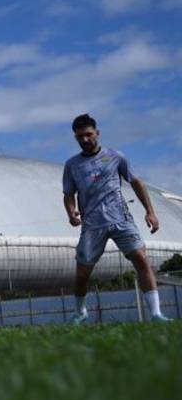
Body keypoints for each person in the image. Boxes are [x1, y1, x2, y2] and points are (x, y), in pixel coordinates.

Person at [62, 113, 168, 323]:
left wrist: (150, 211)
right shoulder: (72, 165)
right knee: (82, 273)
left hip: (121, 219)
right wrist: (71, 213)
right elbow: (68, 195)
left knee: (141, 259)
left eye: (88, 134)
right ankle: (80, 311)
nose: (84, 139)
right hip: (92, 225)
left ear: (97, 133)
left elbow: (136, 182)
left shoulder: (116, 157)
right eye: (79, 137)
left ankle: (156, 314)